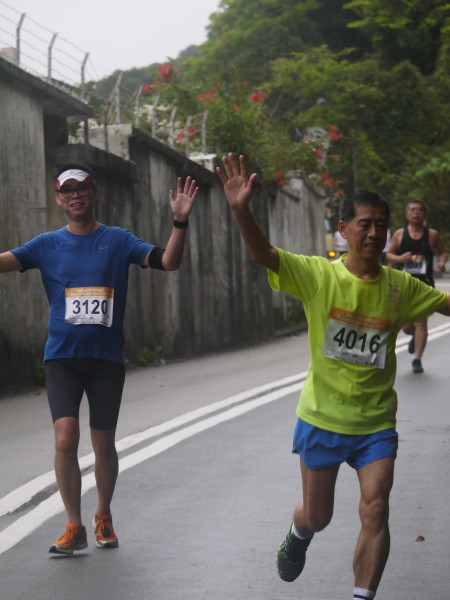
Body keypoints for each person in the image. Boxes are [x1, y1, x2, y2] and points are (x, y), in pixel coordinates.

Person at [216, 153, 450, 600]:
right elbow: (262, 254)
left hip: (375, 424)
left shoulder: (400, 287)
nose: (374, 232)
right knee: (317, 516)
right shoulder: (317, 276)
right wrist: (240, 209)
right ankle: (299, 533)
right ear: (343, 230)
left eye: (381, 223)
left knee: (376, 509)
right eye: (364, 223)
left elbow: (447, 305)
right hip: (322, 419)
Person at [0, 164, 198, 555]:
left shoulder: (118, 240)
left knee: (103, 443)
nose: (76, 195)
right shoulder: (45, 245)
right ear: (58, 198)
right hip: (62, 359)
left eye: (83, 188)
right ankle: (74, 525)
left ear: (95, 193)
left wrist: (179, 222)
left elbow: (168, 262)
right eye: (67, 190)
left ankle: (103, 514)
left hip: (106, 360)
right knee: (65, 436)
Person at [386, 199, 448, 373]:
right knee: (407, 327)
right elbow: (389, 255)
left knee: (421, 323)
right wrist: (399, 259)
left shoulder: (432, 235)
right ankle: (413, 336)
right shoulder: (399, 234)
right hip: (403, 285)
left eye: (420, 210)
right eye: (412, 210)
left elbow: (443, 252)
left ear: (424, 214)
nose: (416, 213)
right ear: (407, 214)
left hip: (424, 285)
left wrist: (442, 261)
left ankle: (417, 359)